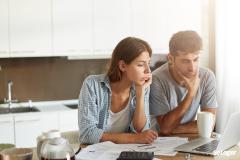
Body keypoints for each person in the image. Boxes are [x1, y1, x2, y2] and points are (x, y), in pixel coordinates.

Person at [78, 37, 158, 144]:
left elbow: (140, 131)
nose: (148, 70)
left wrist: (140, 92)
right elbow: (87, 134)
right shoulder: (92, 84)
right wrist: (133, 138)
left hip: (125, 152)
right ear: (123, 66)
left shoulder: (142, 86)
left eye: (148, 63)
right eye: (140, 64)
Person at [150, 30, 217, 135]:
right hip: (160, 141)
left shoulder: (207, 77)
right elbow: (165, 129)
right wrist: (190, 94)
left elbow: (209, 125)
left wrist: (173, 129)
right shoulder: (156, 79)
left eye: (195, 59)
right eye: (185, 61)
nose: (192, 68)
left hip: (187, 137)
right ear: (171, 59)